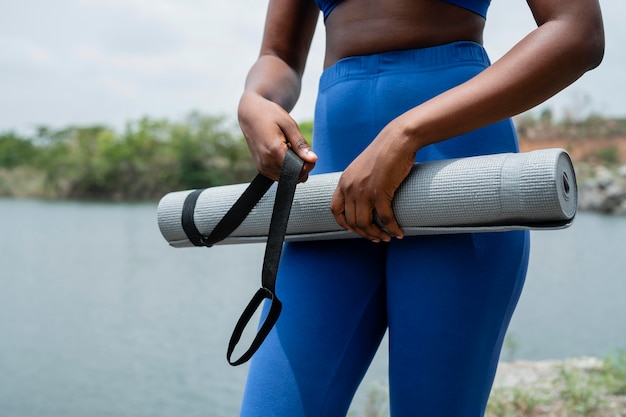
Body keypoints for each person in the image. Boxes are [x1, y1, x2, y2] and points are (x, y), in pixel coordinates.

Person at [236, 0, 604, 415]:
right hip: (332, 191)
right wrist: (255, 100)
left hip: (458, 176)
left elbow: (577, 32)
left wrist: (409, 131)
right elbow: (278, 56)